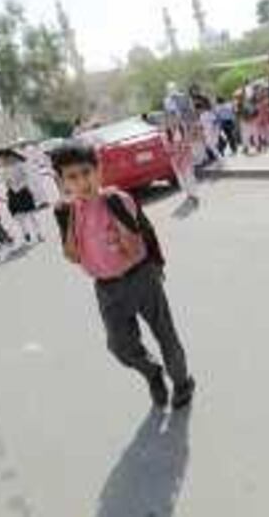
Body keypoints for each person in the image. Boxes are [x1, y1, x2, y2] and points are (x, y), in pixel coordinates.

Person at [50, 141, 195, 410]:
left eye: (86, 172)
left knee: (165, 334)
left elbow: (137, 242)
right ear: (61, 182)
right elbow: (72, 256)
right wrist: (70, 219)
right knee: (120, 346)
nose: (82, 181)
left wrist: (153, 262)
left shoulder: (118, 199)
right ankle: (153, 373)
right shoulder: (64, 211)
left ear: (98, 170)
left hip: (140, 276)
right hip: (106, 288)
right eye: (72, 177)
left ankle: (183, 382)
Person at [0, 148, 44, 244]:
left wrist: (19, 186)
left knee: (31, 214)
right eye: (1, 159)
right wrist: (8, 184)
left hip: (23, 192)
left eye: (2, 158)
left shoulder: (19, 165)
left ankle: (38, 233)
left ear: (9, 156)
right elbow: (4, 181)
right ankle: (26, 233)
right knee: (19, 216)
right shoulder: (4, 169)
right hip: (13, 194)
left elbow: (27, 177)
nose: (2, 161)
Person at [163, 83, 200, 205]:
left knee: (189, 175)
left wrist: (186, 144)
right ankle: (189, 194)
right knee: (182, 179)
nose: (173, 119)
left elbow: (189, 137)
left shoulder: (183, 127)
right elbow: (167, 149)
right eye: (171, 117)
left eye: (174, 116)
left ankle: (193, 195)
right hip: (176, 159)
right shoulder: (165, 134)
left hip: (186, 156)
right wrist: (177, 148)